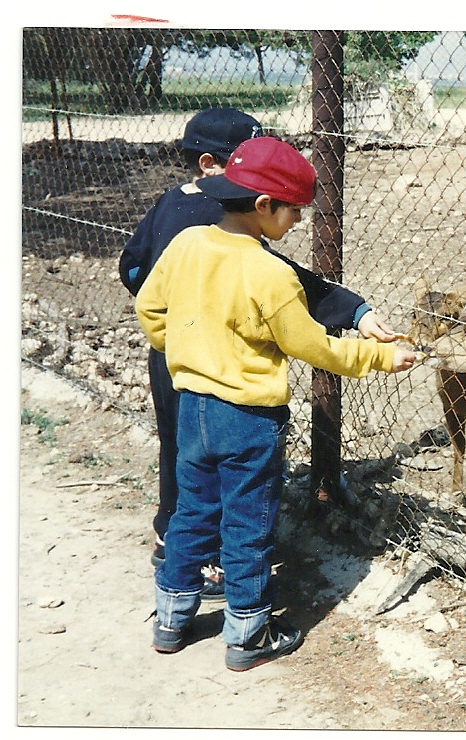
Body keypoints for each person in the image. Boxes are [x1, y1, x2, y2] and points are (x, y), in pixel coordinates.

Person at [136, 135, 417, 671]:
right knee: (248, 521)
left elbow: (151, 309)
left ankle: (171, 619)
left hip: (192, 404)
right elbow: (310, 345)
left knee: (192, 511)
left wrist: (188, 350)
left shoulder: (188, 245)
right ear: (265, 206)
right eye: (293, 213)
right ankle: (248, 632)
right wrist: (381, 359)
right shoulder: (271, 273)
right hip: (247, 417)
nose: (296, 224)